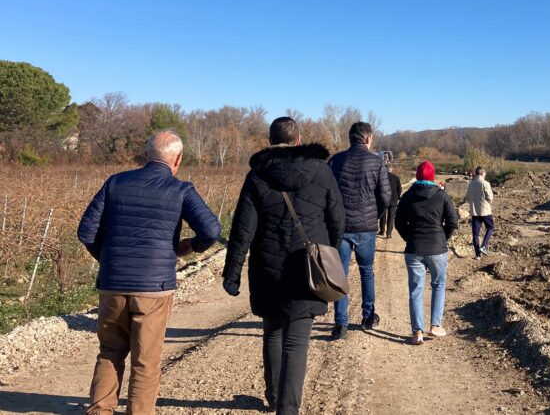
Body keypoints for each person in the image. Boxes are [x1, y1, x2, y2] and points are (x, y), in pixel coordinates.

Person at [77, 130, 220, 415]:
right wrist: (188, 246)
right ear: (178, 159)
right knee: (146, 360)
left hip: (112, 285)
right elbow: (212, 230)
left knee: (110, 352)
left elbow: (86, 231)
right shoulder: (181, 190)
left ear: (146, 155)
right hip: (154, 288)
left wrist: (107, 259)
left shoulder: (115, 182)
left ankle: (100, 410)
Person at [222, 117, 345, 415]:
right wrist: (332, 253)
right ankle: (287, 409)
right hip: (308, 267)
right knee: (297, 342)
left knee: (273, 331)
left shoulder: (258, 175)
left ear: (269, 140)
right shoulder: (321, 170)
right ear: (299, 140)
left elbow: (243, 228)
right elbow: (337, 218)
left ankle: (275, 396)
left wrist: (233, 273)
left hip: (268, 265)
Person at [328, 121, 391, 339]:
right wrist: (377, 216)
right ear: (368, 139)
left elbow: (327, 194)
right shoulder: (377, 162)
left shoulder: (335, 161)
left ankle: (340, 324)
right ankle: (368, 316)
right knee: (367, 272)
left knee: (340, 275)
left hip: (341, 227)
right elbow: (385, 196)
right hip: (366, 227)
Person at [394, 161, 458, 345]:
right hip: (437, 249)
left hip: (414, 248)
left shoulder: (408, 196)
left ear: (418, 176)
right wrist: (442, 238)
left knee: (416, 290)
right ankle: (435, 325)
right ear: (432, 177)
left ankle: (417, 332)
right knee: (438, 284)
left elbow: (398, 222)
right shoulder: (442, 195)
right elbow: (453, 221)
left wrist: (409, 237)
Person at [465, 166, 495, 259]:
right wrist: (488, 203)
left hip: (475, 212)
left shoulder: (471, 184)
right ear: (482, 173)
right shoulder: (485, 183)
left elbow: (468, 198)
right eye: (485, 173)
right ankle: (483, 246)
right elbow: (490, 198)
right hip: (485, 211)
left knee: (475, 234)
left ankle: (477, 255)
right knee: (490, 227)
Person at [379, 152, 402, 239]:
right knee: (391, 217)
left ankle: (382, 231)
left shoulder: (382, 177)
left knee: (382, 216)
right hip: (393, 200)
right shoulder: (396, 178)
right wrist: (398, 197)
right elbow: (399, 189)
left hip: (383, 199)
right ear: (391, 169)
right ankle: (389, 233)